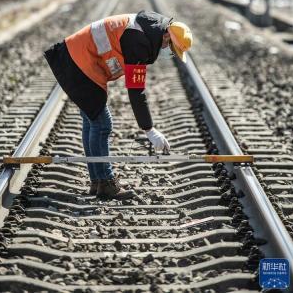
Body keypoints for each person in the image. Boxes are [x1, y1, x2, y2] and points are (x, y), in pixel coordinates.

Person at [44, 11, 193, 200]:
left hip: (76, 56)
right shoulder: (139, 41)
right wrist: (149, 129)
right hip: (80, 63)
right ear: (165, 35)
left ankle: (97, 181)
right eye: (169, 47)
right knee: (102, 124)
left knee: (92, 122)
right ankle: (106, 183)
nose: (167, 51)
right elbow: (136, 90)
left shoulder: (148, 27)